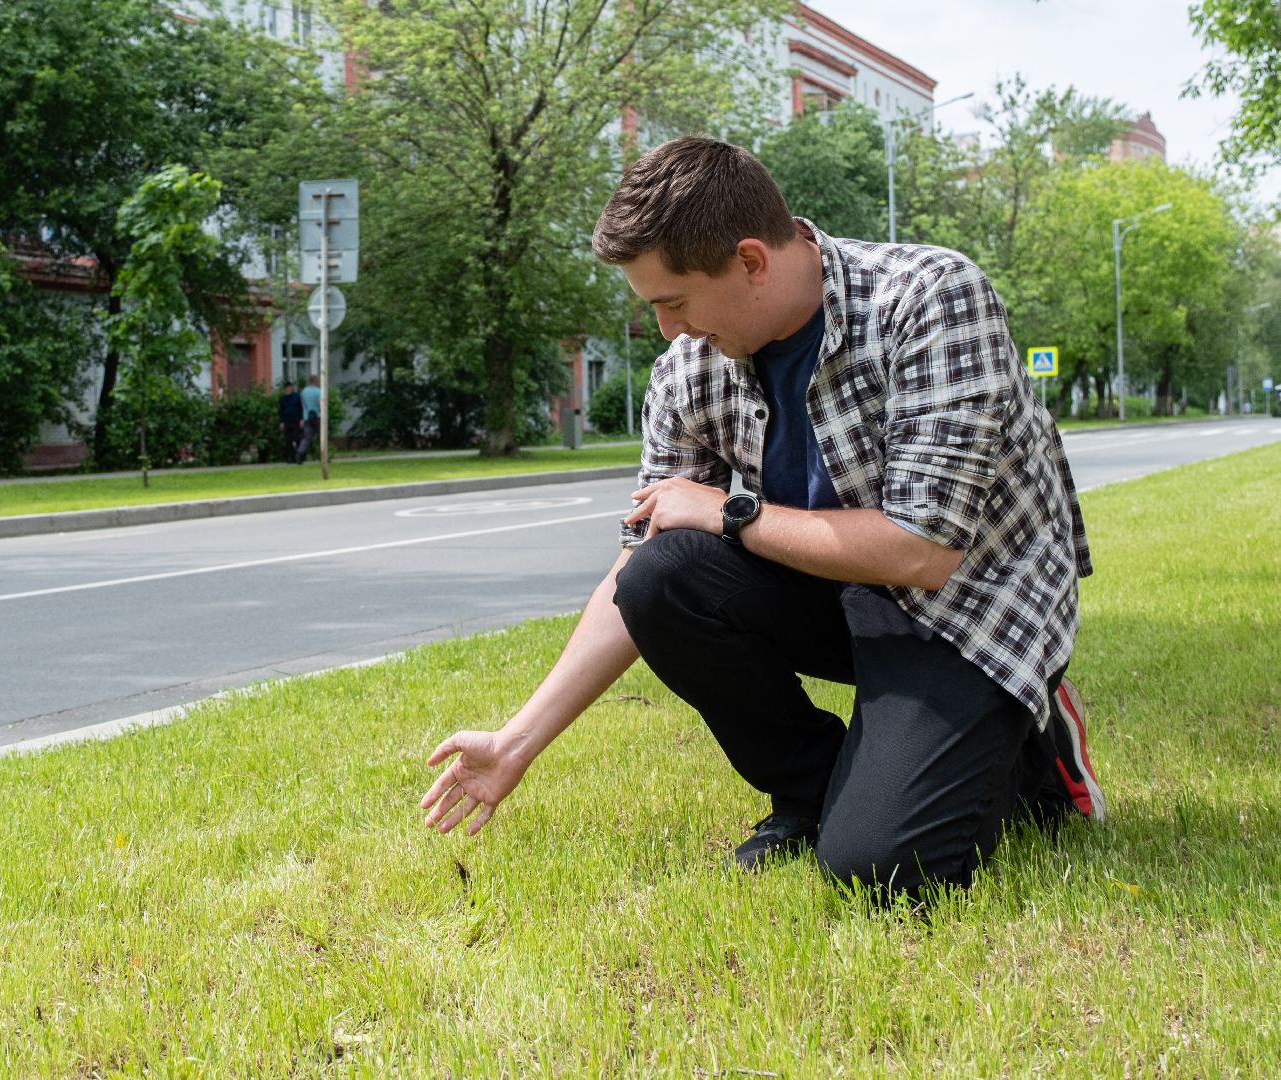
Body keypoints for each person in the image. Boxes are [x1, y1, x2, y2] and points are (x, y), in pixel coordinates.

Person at [419, 136, 1104, 897]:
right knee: (659, 577)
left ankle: (1035, 740)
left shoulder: (929, 299)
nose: (667, 329)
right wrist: (515, 742)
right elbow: (637, 568)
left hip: (969, 604)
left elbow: (923, 551)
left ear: (750, 261)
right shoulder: (689, 369)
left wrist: (731, 511)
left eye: (674, 302)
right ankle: (811, 791)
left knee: (884, 872)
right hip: (833, 589)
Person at [296, 375, 323, 464]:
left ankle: (300, 453)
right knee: (321, 437)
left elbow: (303, 406)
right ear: (316, 381)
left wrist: (303, 418)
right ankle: (322, 455)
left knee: (307, 438)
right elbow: (320, 404)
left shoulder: (304, 391)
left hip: (307, 417)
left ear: (309, 381)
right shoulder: (319, 391)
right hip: (318, 417)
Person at [277, 380, 304, 464]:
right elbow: (281, 411)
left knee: (297, 438)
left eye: (289, 388)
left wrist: (302, 419)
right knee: (288, 440)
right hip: (287, 421)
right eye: (286, 388)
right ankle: (291, 458)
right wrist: (281, 422)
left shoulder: (297, 396)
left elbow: (301, 408)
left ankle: (300, 457)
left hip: (296, 420)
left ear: (292, 388)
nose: (288, 389)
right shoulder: (283, 398)